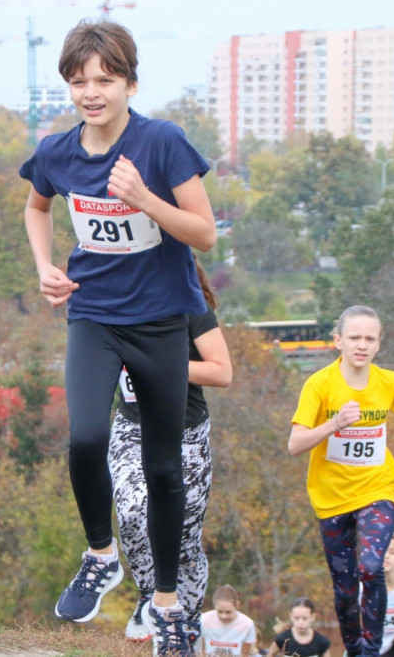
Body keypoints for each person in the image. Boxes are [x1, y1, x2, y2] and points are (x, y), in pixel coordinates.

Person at [19, 18, 216, 656]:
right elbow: (36, 206)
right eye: (79, 81)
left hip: (161, 321)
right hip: (95, 316)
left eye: (104, 79)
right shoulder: (57, 151)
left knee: (162, 467)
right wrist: (46, 267)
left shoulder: (162, 143)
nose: (91, 92)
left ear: (130, 82)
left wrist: (145, 201)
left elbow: (205, 233)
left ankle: (164, 602)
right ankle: (101, 555)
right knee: (85, 437)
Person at [287, 305, 394, 657]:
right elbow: (294, 445)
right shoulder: (319, 384)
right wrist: (334, 425)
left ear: (379, 343)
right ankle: (354, 650)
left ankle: (371, 649)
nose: (361, 345)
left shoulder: (390, 382)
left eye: (369, 338)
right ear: (338, 341)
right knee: (346, 588)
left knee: (370, 567)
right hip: (331, 498)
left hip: (378, 488)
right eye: (354, 338)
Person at [113, 259, 232, 644]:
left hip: (186, 435)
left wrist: (168, 365)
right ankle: (150, 596)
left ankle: (186, 628)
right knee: (132, 512)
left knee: (183, 540)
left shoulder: (191, 308)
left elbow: (222, 372)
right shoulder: (113, 305)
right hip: (133, 429)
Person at [200, 585, 258, 656]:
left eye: (228, 612)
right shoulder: (204, 620)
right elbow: (199, 648)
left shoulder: (247, 624)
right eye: (220, 611)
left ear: (237, 605)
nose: (224, 616)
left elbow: (246, 652)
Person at [266, 597, 333, 657]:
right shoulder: (282, 639)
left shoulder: (322, 642)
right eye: (297, 618)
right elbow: (270, 654)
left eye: (305, 618)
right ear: (291, 616)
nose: (300, 622)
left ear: (313, 617)